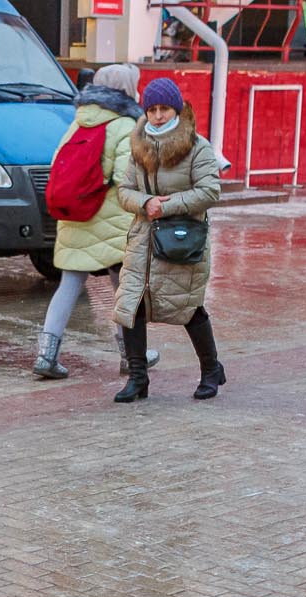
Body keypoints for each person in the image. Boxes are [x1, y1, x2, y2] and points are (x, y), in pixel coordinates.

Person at [33, 64, 156, 382]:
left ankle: (46, 354)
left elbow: (57, 164)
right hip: (111, 222)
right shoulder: (126, 125)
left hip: (75, 217)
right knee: (123, 290)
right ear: (128, 89)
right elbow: (124, 178)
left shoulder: (78, 123)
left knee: (69, 284)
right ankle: (131, 355)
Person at [113, 78, 225, 403]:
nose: (158, 116)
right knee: (131, 306)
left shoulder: (197, 146)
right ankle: (138, 379)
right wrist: (144, 203)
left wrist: (165, 205)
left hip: (181, 240)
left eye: (164, 109)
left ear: (176, 109)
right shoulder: (139, 145)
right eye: (152, 109)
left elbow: (210, 191)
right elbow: (124, 191)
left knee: (188, 307)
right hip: (143, 241)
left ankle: (211, 369)